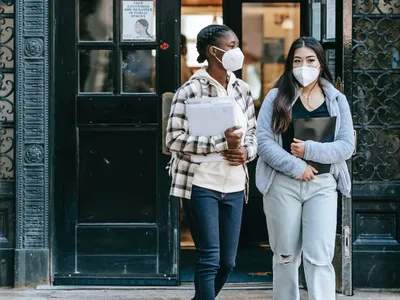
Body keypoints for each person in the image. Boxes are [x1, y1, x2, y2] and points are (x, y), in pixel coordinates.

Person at [256, 36, 354, 300]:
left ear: (320, 64)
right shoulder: (276, 97)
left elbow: (346, 145)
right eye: (297, 60)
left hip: (322, 185)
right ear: (290, 64)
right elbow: (263, 142)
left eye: (310, 60)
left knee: (320, 257)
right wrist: (296, 166)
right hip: (282, 184)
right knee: (285, 256)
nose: (304, 66)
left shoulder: (336, 99)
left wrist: (309, 150)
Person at [166, 24, 257, 300]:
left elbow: (252, 133)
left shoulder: (242, 89)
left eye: (237, 44)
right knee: (210, 259)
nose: (237, 51)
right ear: (213, 51)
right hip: (201, 183)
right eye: (231, 46)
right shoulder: (190, 90)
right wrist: (221, 143)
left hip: (234, 185)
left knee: (228, 262)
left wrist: (246, 153)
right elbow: (173, 139)